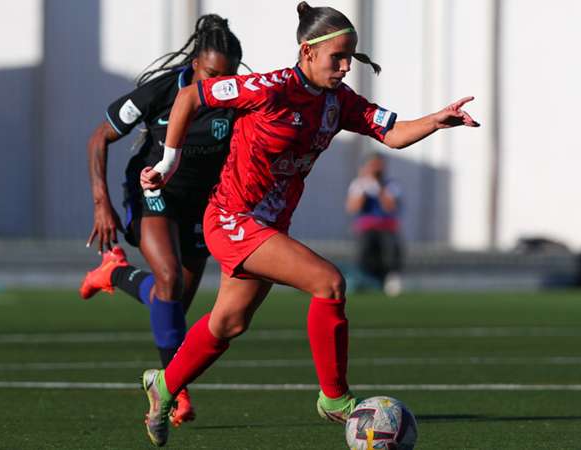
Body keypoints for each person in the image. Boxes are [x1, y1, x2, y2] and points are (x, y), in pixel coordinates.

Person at [138, 2, 479, 445]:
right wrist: (169, 160)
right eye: (335, 58)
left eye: (348, 59)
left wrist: (436, 120)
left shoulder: (340, 103)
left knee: (228, 323)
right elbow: (190, 96)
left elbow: (392, 133)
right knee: (329, 283)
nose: (342, 68)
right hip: (232, 219)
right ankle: (334, 399)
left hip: (267, 227)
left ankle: (162, 386)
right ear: (306, 53)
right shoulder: (269, 88)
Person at [78, 14, 243, 427]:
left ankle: (114, 272)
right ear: (195, 64)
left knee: (170, 303)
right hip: (152, 191)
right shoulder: (165, 89)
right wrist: (102, 202)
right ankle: (175, 392)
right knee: (168, 281)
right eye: (210, 74)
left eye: (229, 75)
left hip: (201, 205)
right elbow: (100, 136)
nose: (217, 85)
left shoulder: (240, 98)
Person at [346, 153, 404, 296]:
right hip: (367, 226)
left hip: (386, 225)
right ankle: (366, 279)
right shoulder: (359, 184)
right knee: (365, 253)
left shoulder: (391, 185)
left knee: (390, 252)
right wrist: (364, 186)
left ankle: (389, 279)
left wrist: (379, 188)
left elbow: (390, 207)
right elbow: (353, 208)